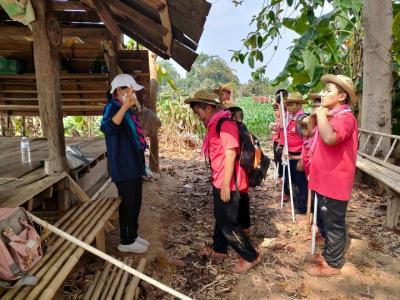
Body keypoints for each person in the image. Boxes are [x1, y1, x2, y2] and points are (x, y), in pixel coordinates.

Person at [185, 90, 261, 273]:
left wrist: (226, 185)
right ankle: (219, 249)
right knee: (221, 216)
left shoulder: (224, 124)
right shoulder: (214, 123)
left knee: (227, 223)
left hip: (229, 180)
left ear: (209, 107)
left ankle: (251, 256)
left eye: (199, 112)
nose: (199, 117)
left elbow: (230, 153)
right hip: (219, 178)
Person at [306, 74, 358, 277]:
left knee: (334, 222)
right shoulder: (332, 116)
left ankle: (333, 264)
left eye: (328, 91)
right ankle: (328, 254)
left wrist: (320, 112)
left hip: (335, 180)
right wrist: (318, 117)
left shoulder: (346, 118)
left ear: (342, 96)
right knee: (326, 221)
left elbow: (329, 138)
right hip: (324, 178)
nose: (322, 94)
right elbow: (313, 135)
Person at [100, 74, 150, 254]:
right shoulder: (112, 107)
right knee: (128, 204)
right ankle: (126, 240)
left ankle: (133, 235)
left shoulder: (127, 109)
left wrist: (128, 106)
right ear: (120, 91)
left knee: (136, 202)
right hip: (123, 166)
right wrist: (125, 106)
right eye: (131, 90)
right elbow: (107, 128)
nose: (134, 94)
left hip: (134, 165)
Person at [278, 92, 309, 214]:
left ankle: (302, 207)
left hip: (298, 155)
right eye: (287, 105)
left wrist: (301, 158)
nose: (288, 107)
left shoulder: (302, 120)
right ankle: (297, 203)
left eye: (291, 105)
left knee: (301, 182)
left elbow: (306, 141)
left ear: (298, 105)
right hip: (289, 154)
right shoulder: (289, 117)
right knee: (293, 181)